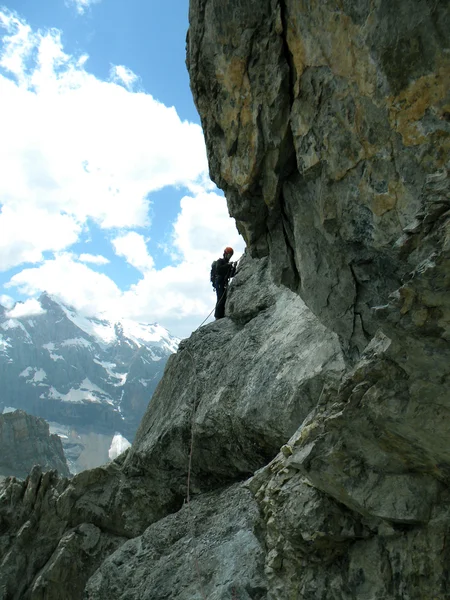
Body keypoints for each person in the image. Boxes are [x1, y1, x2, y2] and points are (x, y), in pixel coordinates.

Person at [210, 247, 237, 319]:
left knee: (224, 297)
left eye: (230, 255)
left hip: (223, 282)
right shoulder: (220, 261)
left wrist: (234, 267)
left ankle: (222, 314)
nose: (229, 257)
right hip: (218, 282)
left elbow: (231, 274)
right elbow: (219, 269)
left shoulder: (227, 264)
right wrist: (228, 265)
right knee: (220, 298)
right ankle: (218, 316)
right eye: (228, 255)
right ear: (225, 254)